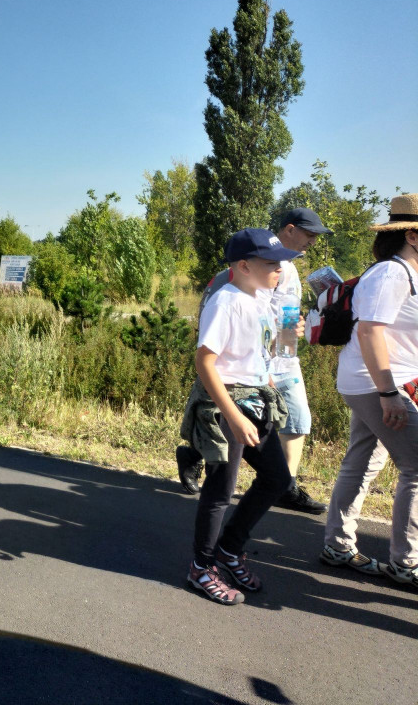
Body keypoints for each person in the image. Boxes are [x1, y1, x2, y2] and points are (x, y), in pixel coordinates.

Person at [180, 207, 331, 514]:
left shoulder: (285, 264)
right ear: (289, 229)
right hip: (263, 362)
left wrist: (292, 331)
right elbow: (253, 313)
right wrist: (271, 355)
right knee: (247, 439)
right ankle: (263, 485)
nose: (313, 242)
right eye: (310, 234)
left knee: (297, 421)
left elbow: (280, 313)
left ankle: (280, 485)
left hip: (282, 357)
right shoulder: (267, 265)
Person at [181, 228, 298, 605]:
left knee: (277, 478)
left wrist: (287, 340)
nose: (280, 269)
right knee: (220, 490)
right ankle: (201, 568)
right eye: (272, 264)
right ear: (245, 266)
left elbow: (260, 351)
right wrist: (232, 415)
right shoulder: (226, 301)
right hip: (225, 404)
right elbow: (205, 361)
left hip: (255, 400)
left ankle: (229, 549)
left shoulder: (261, 298)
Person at [321, 193, 418, 588]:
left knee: (362, 461)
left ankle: (337, 545)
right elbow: (369, 331)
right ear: (412, 235)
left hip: (375, 383)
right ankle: (406, 563)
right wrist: (388, 393)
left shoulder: (405, 273)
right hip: (377, 385)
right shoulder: (392, 274)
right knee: (417, 468)